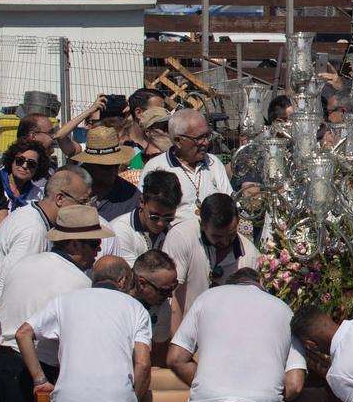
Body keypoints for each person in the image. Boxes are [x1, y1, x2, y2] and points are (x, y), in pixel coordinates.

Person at [0, 205, 105, 402]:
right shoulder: (79, 284)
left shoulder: (25, 263)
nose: (99, 249)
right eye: (94, 243)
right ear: (76, 245)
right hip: (28, 368)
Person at [168, 266, 306, 402]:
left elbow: (176, 358)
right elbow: (295, 384)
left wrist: (208, 382)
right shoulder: (283, 308)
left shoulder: (208, 298)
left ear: (230, 284)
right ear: (261, 285)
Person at [15, 257, 152, 402]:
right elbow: (143, 364)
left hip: (70, 401)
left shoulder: (64, 301)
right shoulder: (136, 309)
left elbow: (23, 333)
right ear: (123, 281)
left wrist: (40, 380)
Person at [164, 192, 256, 329]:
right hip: (181, 329)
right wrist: (176, 344)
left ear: (238, 222)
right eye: (217, 236)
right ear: (203, 225)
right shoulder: (181, 236)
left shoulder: (251, 255)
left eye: (231, 234)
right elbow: (171, 296)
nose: (225, 242)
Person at [0, 165, 89, 276]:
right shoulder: (33, 230)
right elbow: (10, 280)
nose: (85, 208)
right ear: (60, 199)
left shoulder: (34, 218)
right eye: (81, 202)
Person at [141, 109, 232, 221]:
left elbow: (229, 202)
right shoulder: (156, 167)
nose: (206, 142)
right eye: (199, 138)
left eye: (207, 136)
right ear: (178, 141)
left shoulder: (213, 163)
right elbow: (148, 211)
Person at [102, 170, 179, 267]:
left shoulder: (172, 233)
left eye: (168, 218)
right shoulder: (120, 231)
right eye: (155, 217)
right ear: (142, 202)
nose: (161, 223)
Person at [79, 123, 142, 222]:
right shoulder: (70, 189)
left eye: (116, 165)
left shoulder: (131, 195)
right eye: (106, 166)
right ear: (89, 165)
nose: (113, 171)